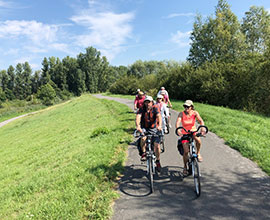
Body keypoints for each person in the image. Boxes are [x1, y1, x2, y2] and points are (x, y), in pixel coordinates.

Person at [175, 100, 206, 175]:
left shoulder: (195, 113)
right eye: (185, 106)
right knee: (186, 151)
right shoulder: (181, 114)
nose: (186, 108)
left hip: (193, 131)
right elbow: (177, 123)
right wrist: (178, 129)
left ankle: (198, 153)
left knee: (198, 140)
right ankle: (185, 166)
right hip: (185, 132)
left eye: (188, 107)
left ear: (191, 107)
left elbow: (201, 121)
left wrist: (202, 128)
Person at [136, 96, 163, 172]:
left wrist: (160, 125)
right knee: (143, 138)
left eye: (149, 102)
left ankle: (158, 161)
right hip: (144, 127)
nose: (147, 104)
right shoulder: (142, 109)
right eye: (146, 102)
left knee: (157, 145)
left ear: (152, 102)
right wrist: (138, 126)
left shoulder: (155, 107)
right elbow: (138, 116)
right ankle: (144, 153)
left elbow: (159, 116)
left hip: (154, 128)